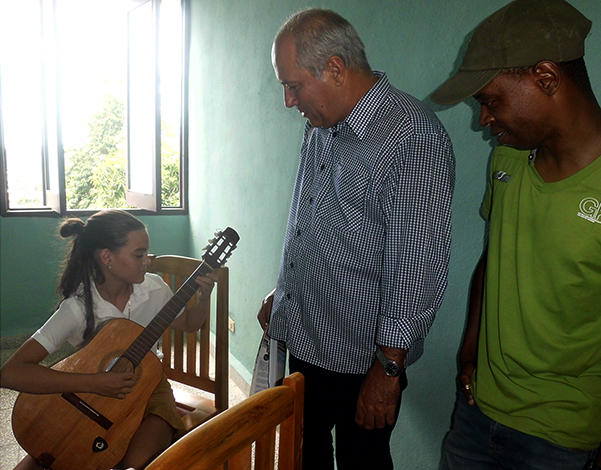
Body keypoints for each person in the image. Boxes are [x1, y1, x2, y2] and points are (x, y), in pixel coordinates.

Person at [430, 1, 601, 469]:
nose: (483, 121)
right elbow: (495, 257)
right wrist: (470, 350)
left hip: (561, 443)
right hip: (475, 417)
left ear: (546, 79)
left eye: (490, 101)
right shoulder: (508, 158)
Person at [257, 8, 455, 470]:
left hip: (363, 359)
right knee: (302, 452)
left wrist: (387, 370)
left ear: (335, 69)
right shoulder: (322, 123)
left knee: (361, 460)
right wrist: (285, 293)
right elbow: (317, 222)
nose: (289, 100)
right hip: (306, 337)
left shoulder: (411, 136)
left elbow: (417, 266)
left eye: (293, 85)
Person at [0, 210, 217, 470]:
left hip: (148, 386)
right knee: (50, 452)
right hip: (88, 390)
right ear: (107, 257)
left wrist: (204, 297)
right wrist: (94, 383)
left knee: (138, 463)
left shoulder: (155, 288)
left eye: (147, 253)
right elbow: (10, 373)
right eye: (139, 254)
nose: (147, 261)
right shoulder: (79, 306)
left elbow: (190, 325)